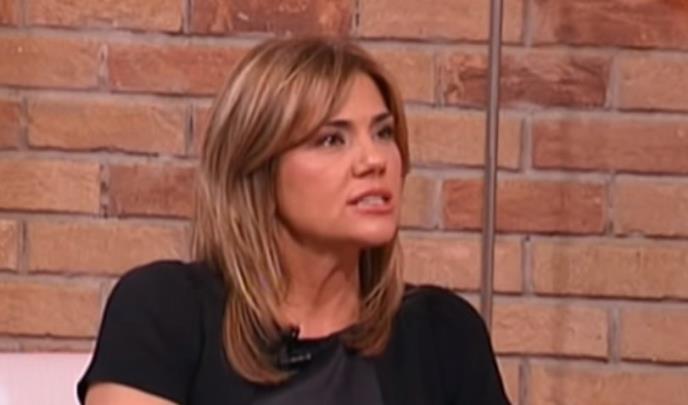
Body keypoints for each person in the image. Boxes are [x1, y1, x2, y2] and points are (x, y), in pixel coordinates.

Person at [77, 36, 510, 405]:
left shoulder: (441, 333)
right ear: (258, 171)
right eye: (331, 139)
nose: (374, 160)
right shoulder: (165, 310)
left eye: (383, 133)